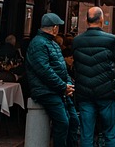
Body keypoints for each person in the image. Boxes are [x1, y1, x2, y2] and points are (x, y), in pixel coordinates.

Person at [71, 6, 115, 147]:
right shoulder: (112, 40)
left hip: (84, 92)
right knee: (110, 133)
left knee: (86, 134)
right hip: (106, 91)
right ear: (102, 19)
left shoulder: (77, 41)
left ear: (86, 20)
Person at [26, 13, 74, 147]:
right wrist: (63, 86)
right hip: (46, 91)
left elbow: (62, 68)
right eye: (58, 26)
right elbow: (44, 71)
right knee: (63, 122)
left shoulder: (51, 43)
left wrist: (68, 84)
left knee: (73, 120)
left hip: (57, 89)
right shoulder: (38, 43)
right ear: (54, 28)